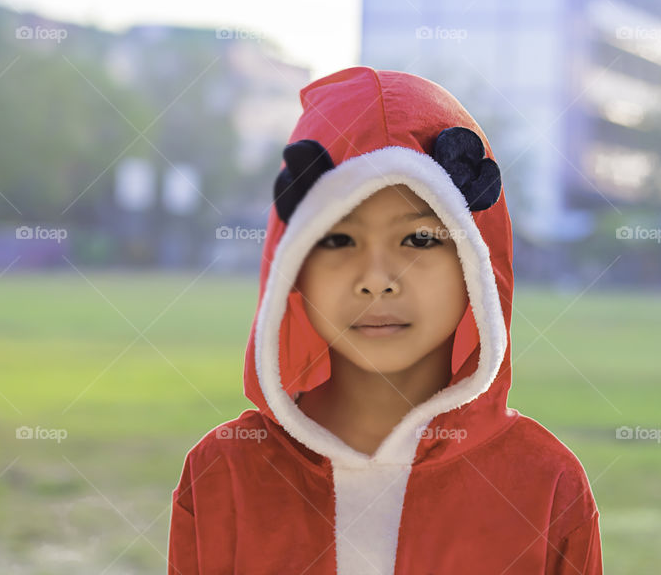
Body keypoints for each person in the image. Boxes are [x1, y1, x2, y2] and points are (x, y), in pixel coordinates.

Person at [167, 66, 602, 574]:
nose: (376, 279)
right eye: (338, 238)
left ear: (476, 261)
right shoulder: (225, 474)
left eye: (419, 239)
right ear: (293, 265)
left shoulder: (544, 482)